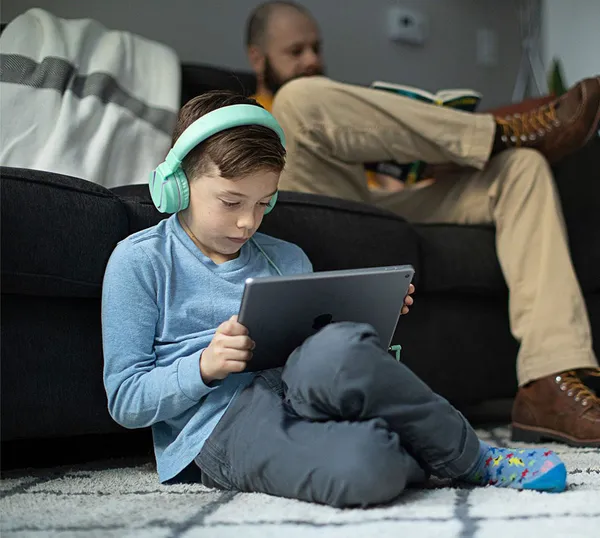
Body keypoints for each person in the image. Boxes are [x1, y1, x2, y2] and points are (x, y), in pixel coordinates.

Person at [102, 90, 570, 508]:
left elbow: (329, 362)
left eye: (264, 203)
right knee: (369, 469)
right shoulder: (141, 262)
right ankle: (415, 445)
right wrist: (203, 366)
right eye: (231, 202)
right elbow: (125, 400)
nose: (248, 222)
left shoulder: (287, 258)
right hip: (220, 425)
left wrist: (370, 319)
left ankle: (474, 459)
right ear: (178, 184)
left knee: (340, 349)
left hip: (300, 389)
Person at [270, 74, 600, 448]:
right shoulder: (253, 107)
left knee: (522, 167)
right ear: (257, 56)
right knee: (297, 98)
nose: (310, 57)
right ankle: (495, 133)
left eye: (314, 47)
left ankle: (549, 380)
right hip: (316, 200)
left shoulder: (351, 105)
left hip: (385, 199)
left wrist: (428, 161)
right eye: (295, 51)